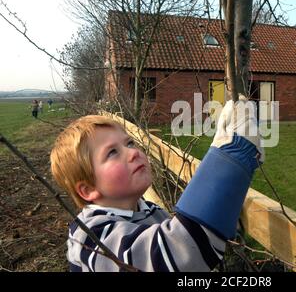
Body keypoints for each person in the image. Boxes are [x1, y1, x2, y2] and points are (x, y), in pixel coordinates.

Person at [50, 96, 264, 272]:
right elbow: (176, 256)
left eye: (129, 143)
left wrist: (227, 207)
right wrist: (232, 156)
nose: (133, 152)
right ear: (88, 190)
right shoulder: (90, 237)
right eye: (112, 152)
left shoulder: (150, 210)